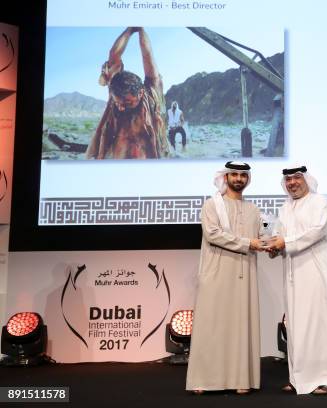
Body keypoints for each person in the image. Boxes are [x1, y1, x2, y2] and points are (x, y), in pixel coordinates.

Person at [186, 161, 266, 395]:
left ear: (247, 179)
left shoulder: (253, 210)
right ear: (226, 177)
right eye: (234, 174)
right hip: (217, 272)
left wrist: (272, 243)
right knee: (211, 325)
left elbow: (261, 236)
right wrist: (248, 243)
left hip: (244, 275)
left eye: (243, 175)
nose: (238, 179)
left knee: (240, 326)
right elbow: (213, 234)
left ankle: (240, 379)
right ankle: (203, 379)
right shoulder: (212, 205)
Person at [267, 165, 327, 395]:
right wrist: (274, 249)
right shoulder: (284, 208)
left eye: (297, 178)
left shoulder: (319, 202)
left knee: (319, 326)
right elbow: (280, 238)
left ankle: (326, 378)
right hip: (293, 276)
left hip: (316, 273)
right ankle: (299, 378)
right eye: (288, 179)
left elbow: (316, 231)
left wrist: (284, 243)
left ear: (306, 179)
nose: (292, 183)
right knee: (297, 327)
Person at [86, 27, 169, 159]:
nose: (121, 107)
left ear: (141, 93)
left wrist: (140, 30)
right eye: (118, 103)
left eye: (128, 103)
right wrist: (130, 30)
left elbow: (147, 55)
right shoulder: (116, 90)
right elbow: (114, 54)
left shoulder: (150, 96)